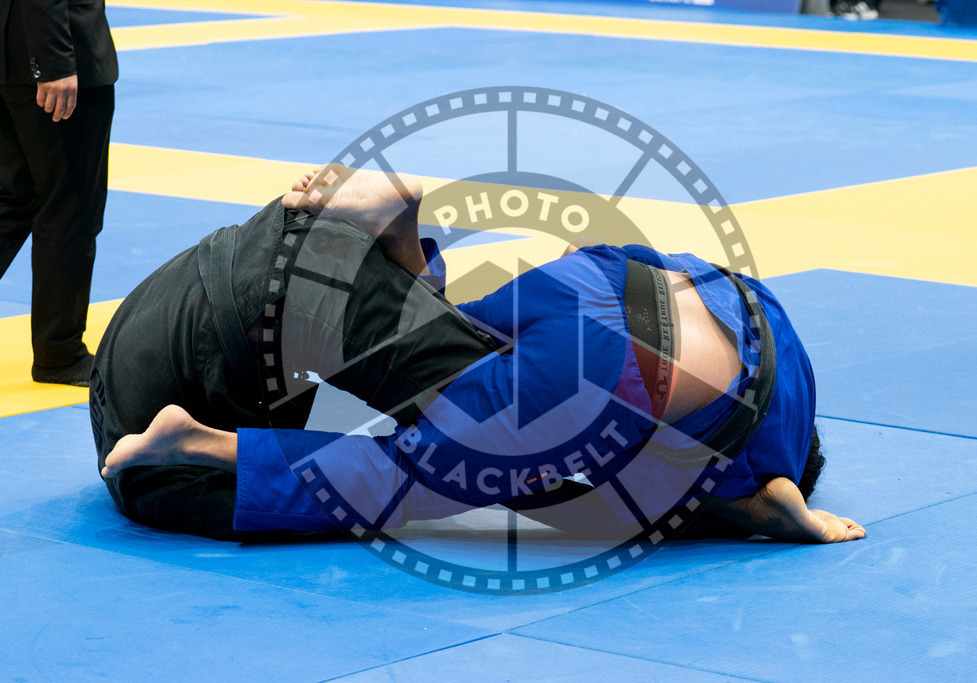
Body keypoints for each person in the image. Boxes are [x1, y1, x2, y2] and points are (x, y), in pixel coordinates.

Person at [95, 166, 865, 545]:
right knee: (410, 471)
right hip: (608, 366)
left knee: (450, 336)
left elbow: (609, 252)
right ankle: (202, 440)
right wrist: (782, 513)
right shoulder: (761, 459)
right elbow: (761, 501)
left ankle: (410, 228)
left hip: (612, 279)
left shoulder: (781, 335)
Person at [0, 0, 117, 386]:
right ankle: (60, 352)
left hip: (12, 50)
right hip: (57, 54)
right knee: (72, 204)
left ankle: (59, 347)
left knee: (16, 198)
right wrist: (53, 62)